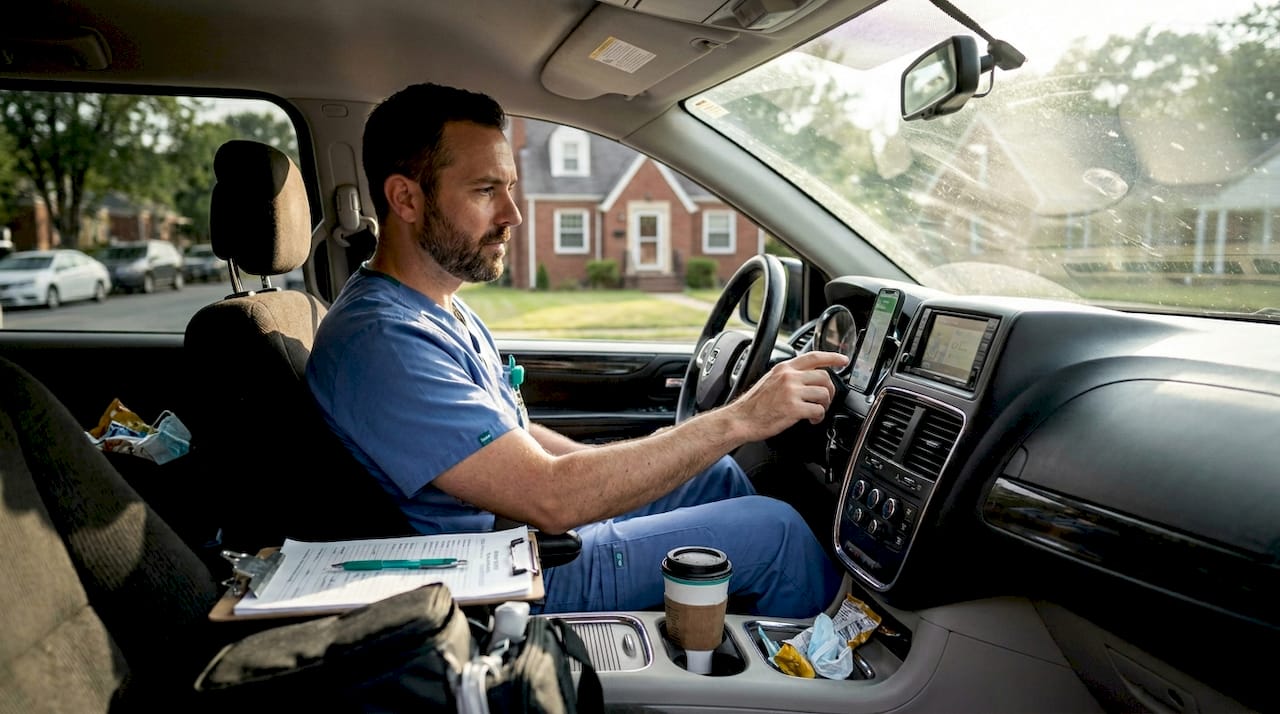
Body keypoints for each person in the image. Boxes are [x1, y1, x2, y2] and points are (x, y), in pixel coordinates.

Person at [306, 82, 848, 618]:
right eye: (484, 191)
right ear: (406, 198)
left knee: (713, 477)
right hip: (502, 577)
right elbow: (549, 497)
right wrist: (741, 418)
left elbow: (510, 440)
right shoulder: (381, 339)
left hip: (521, 532)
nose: (513, 214)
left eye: (511, 187)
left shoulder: (436, 304)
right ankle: (838, 675)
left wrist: (615, 467)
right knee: (776, 534)